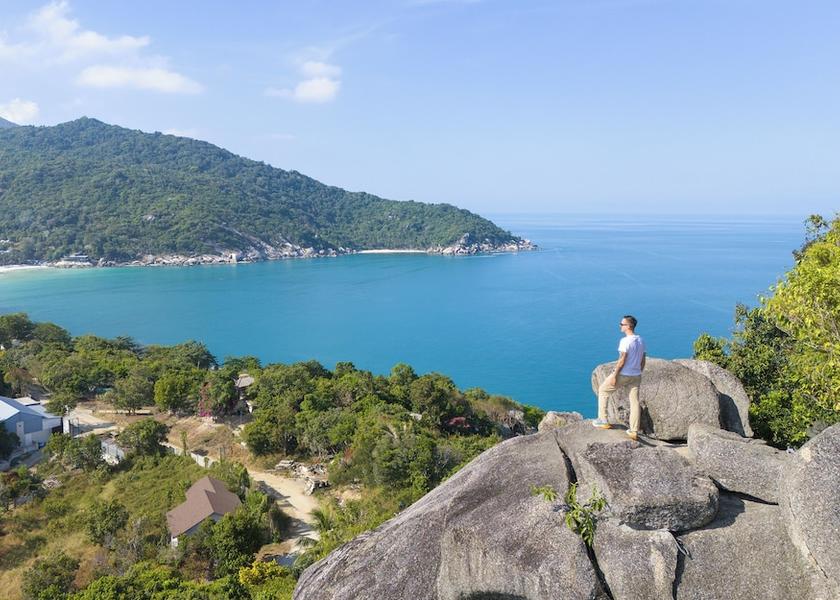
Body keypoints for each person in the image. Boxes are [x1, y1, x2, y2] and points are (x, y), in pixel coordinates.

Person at [592, 315, 646, 440]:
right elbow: (643, 359)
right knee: (634, 402)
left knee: (603, 390)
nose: (620, 326)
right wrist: (639, 371)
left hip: (624, 374)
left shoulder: (625, 341)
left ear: (628, 326)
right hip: (636, 375)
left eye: (622, 324)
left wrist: (614, 375)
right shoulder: (641, 340)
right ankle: (633, 430)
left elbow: (622, 360)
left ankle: (603, 420)